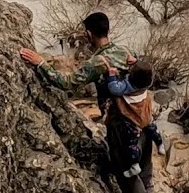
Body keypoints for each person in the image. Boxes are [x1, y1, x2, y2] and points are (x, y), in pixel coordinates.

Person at [19, 12, 152, 193]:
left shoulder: (97, 62)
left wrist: (40, 63)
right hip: (143, 120)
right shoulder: (126, 52)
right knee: (146, 176)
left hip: (122, 128)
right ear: (108, 29)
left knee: (129, 179)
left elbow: (65, 83)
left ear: (89, 34)